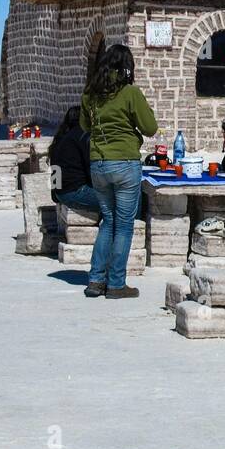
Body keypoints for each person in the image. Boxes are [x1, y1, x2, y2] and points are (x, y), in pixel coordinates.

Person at [80, 43, 157, 299]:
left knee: (107, 221)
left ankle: (95, 280)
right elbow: (149, 127)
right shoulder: (130, 92)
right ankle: (115, 283)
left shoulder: (90, 94)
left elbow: (84, 125)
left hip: (98, 163)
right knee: (124, 225)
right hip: (124, 162)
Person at [48, 106, 100, 214]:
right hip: (75, 192)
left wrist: (55, 195)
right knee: (125, 200)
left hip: (61, 193)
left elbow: (55, 171)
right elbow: (90, 168)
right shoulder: (82, 136)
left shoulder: (61, 138)